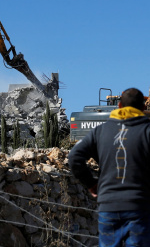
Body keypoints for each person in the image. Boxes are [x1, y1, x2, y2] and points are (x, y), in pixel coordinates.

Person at [68, 88, 150, 246]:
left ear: (118, 106)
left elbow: (74, 157)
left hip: (109, 207)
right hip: (139, 207)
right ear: (142, 108)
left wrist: (91, 183)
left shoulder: (99, 131)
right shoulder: (146, 130)